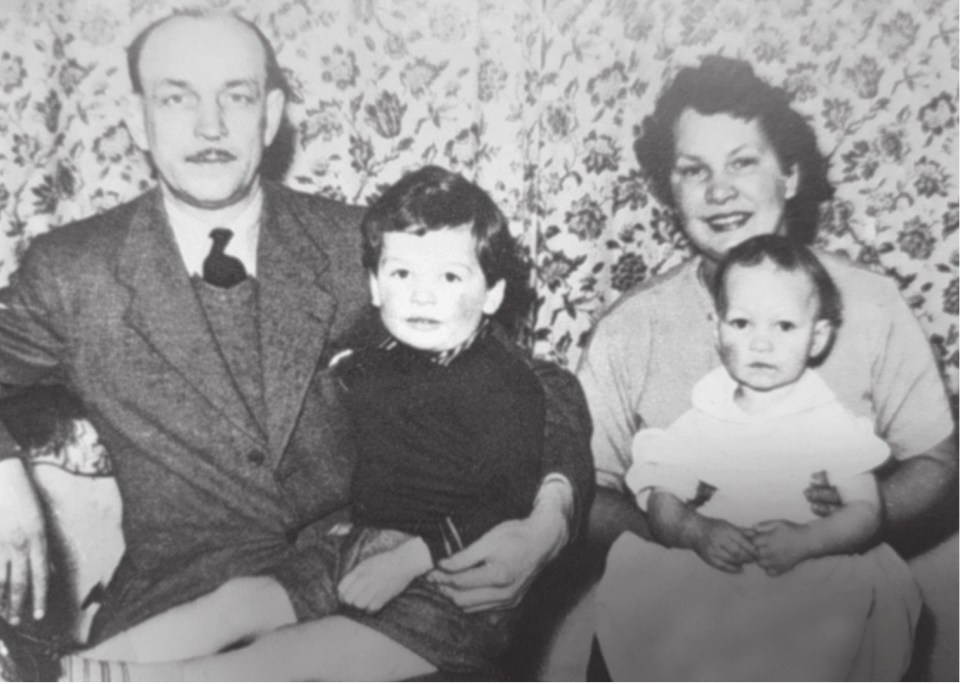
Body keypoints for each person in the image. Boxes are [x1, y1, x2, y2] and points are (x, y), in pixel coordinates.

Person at [0, 10, 593, 682]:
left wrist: (547, 523)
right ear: (137, 118)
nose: (210, 125)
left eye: (237, 95)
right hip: (181, 604)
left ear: (272, 113)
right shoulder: (72, 270)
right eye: (176, 96)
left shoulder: (361, 245)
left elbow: (537, 384)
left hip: (371, 588)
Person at [51, 165, 548, 680]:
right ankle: (74, 670)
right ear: (375, 287)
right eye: (402, 274)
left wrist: (407, 561)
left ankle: (134, 680)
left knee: (289, 658)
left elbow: (503, 500)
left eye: (449, 276)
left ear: (491, 294)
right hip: (358, 545)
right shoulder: (377, 357)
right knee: (239, 601)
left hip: (449, 585)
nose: (422, 295)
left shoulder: (502, 384)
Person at [577, 56, 956, 680]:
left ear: (791, 173)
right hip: (677, 612)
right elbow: (586, 492)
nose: (719, 191)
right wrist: (685, 531)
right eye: (693, 171)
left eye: (743, 162)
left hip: (823, 608)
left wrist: (832, 531)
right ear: (670, 189)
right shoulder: (631, 326)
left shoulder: (870, 303)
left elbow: (936, 463)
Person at [596, 234, 921, 679]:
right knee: (656, 597)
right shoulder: (705, 412)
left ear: (818, 336)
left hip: (810, 572)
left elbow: (866, 510)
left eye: (784, 326)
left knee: (843, 612)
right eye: (742, 323)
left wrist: (809, 541)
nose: (761, 344)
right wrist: (695, 531)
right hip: (718, 571)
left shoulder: (828, 420)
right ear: (717, 329)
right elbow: (662, 498)